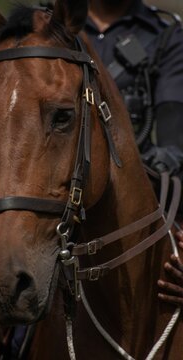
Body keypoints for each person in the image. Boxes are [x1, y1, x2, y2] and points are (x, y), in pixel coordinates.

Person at [0, 1, 183, 359]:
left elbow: (173, 139)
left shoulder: (166, 33)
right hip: (46, 188)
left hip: (138, 191)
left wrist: (139, 170)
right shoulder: (42, 28)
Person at [85, 0, 183, 304]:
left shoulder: (166, 34)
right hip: (54, 196)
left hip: (133, 200)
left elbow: (174, 146)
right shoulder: (46, 26)